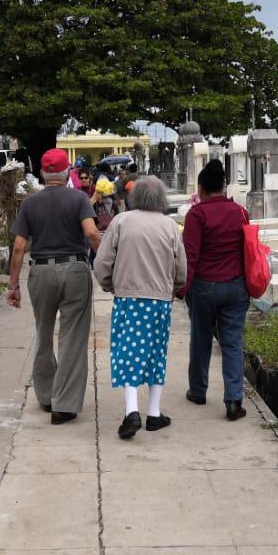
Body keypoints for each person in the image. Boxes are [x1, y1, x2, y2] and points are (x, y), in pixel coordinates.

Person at [7, 148, 102, 424]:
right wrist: (109, 264)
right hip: (74, 269)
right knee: (73, 336)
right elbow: (92, 233)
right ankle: (65, 404)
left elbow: (19, 248)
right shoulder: (79, 198)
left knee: (44, 331)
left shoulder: (29, 204)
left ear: (43, 173)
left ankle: (47, 396)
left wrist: (14, 285)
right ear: (66, 173)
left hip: (41, 271)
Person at [94, 176, 187, 439]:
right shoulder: (170, 226)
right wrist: (172, 288)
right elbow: (181, 269)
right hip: (160, 301)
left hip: (129, 299)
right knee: (156, 354)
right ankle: (154, 413)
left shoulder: (121, 221)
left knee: (128, 353)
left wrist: (110, 284)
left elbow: (102, 262)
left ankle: (132, 412)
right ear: (161, 199)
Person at [181, 159, 250, 420]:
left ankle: (198, 390)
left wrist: (182, 289)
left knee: (201, 338)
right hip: (235, 285)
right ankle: (233, 400)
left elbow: (191, 256)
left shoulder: (196, 215)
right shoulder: (240, 212)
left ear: (201, 187)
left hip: (204, 287)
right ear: (223, 185)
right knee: (232, 342)